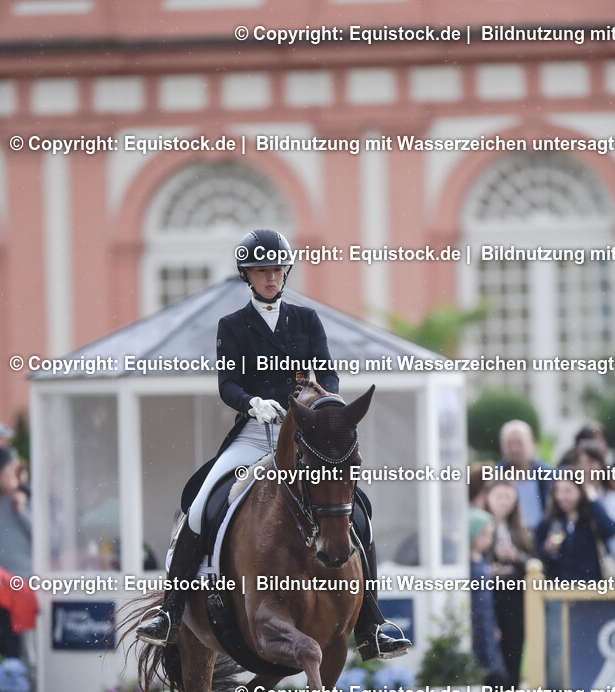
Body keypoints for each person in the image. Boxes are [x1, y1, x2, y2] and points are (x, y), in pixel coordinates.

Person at [137, 228, 411, 661]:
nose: (271, 278)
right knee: (201, 501)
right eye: (262, 271)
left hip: (307, 433)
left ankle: (372, 622)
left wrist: (327, 404)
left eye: (277, 270)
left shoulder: (306, 321)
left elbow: (328, 373)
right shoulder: (233, 326)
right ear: (247, 276)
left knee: (360, 510)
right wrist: (252, 403)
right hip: (254, 432)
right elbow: (227, 384)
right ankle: (170, 611)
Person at [484, 480, 533, 690]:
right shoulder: (481, 524)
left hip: (514, 596)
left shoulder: (521, 530)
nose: (504, 502)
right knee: (491, 648)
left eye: (508, 497)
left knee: (514, 645)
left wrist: (516, 556)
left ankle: (512, 690)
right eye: (499, 496)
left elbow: (535, 563)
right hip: (489, 596)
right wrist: (489, 569)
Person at [535, 476, 615, 582]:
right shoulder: (550, 521)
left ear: (580, 491)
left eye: (567, 491)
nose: (561, 497)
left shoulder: (592, 517)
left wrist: (593, 501)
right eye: (558, 491)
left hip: (590, 585)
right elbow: (536, 551)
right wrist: (546, 549)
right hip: (559, 587)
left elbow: (611, 530)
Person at [469, 508, 508, 692]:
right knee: (481, 670)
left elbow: (488, 602)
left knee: (494, 669)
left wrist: (493, 625)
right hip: (475, 624)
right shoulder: (468, 564)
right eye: (484, 534)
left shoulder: (483, 560)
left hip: (486, 622)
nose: (488, 539)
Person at [0, 447, 32, 580]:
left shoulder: (31, 499)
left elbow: (50, 541)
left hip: (22, 579)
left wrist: (22, 512)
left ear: (14, 469)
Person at [497, 420, 554, 535]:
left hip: (543, 537)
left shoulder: (549, 475)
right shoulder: (493, 477)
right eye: (509, 444)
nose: (514, 450)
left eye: (519, 443)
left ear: (532, 443)